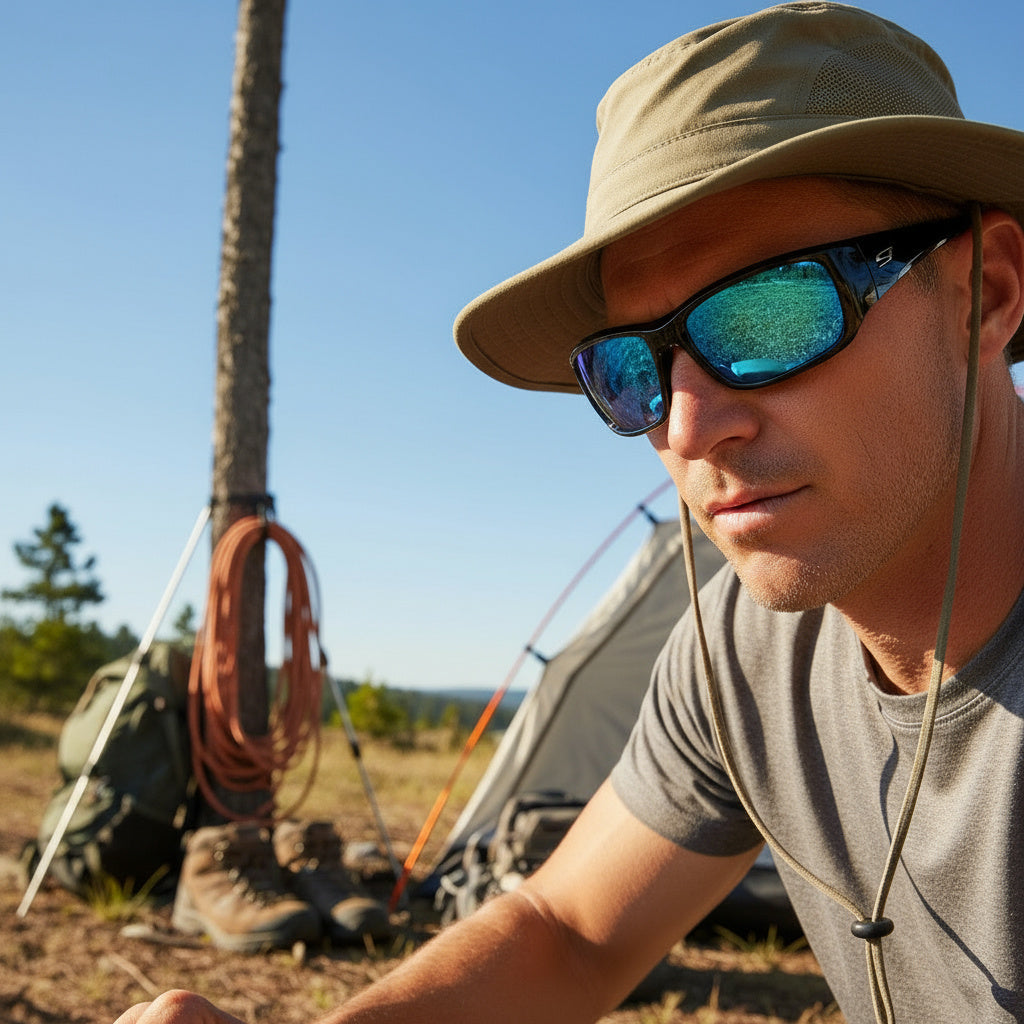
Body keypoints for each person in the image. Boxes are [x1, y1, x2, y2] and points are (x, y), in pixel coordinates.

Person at [115, 3, 1024, 1022]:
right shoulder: (745, 649)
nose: (685, 425)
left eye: (767, 312)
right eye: (632, 365)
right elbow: (571, 932)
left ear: (982, 295)